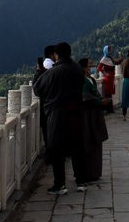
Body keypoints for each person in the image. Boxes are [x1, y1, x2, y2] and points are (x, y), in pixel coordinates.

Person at [32, 41, 84, 196]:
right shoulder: (77, 68)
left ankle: (60, 184)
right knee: (77, 147)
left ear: (56, 55)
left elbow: (37, 89)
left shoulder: (54, 71)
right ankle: (81, 181)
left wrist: (38, 72)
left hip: (57, 113)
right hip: (76, 111)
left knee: (57, 149)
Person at [75, 58, 109, 187]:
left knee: (96, 142)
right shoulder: (82, 80)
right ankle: (87, 172)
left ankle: (95, 172)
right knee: (88, 141)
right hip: (87, 116)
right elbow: (85, 98)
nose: (92, 66)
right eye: (89, 65)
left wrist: (101, 100)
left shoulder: (91, 79)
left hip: (95, 114)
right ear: (84, 67)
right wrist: (100, 102)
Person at [97, 45, 121, 114]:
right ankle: (109, 109)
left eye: (110, 49)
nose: (110, 51)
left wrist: (121, 58)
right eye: (109, 50)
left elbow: (116, 63)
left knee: (110, 93)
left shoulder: (110, 58)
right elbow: (99, 68)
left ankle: (110, 109)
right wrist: (105, 73)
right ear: (106, 51)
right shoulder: (104, 59)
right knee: (108, 93)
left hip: (111, 77)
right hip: (108, 78)